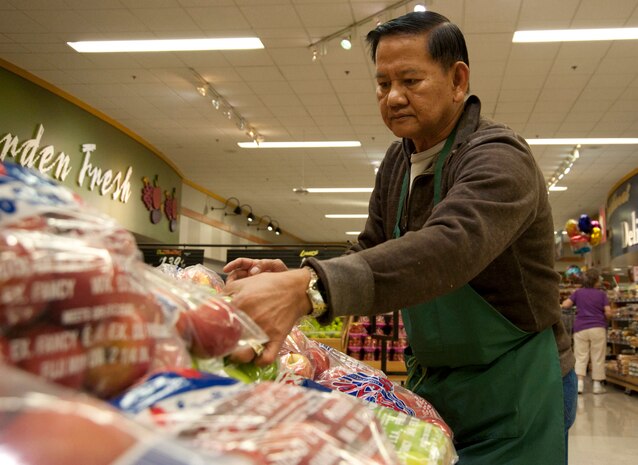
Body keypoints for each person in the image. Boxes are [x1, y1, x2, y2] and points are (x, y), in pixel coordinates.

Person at [223, 11, 576, 465]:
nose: (393, 97)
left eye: (411, 80)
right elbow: (371, 246)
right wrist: (296, 275)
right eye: (383, 83)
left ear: (457, 80)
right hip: (438, 379)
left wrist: (308, 289)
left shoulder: (500, 159)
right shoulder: (397, 161)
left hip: (518, 388)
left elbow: (449, 247)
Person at [561, 267, 612, 394]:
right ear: (596, 281)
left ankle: (579, 384)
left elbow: (565, 305)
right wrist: (607, 317)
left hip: (580, 327)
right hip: (597, 328)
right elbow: (608, 312)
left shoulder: (578, 293)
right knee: (598, 356)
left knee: (580, 355)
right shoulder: (601, 294)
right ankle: (596, 385)